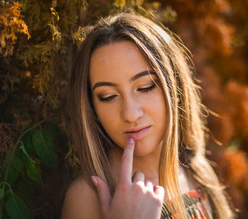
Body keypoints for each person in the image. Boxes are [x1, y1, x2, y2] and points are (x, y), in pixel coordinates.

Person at [61, 12, 233, 219]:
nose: (131, 114)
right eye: (107, 96)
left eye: (145, 87)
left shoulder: (197, 172)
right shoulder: (87, 199)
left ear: (174, 85)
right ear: (91, 108)